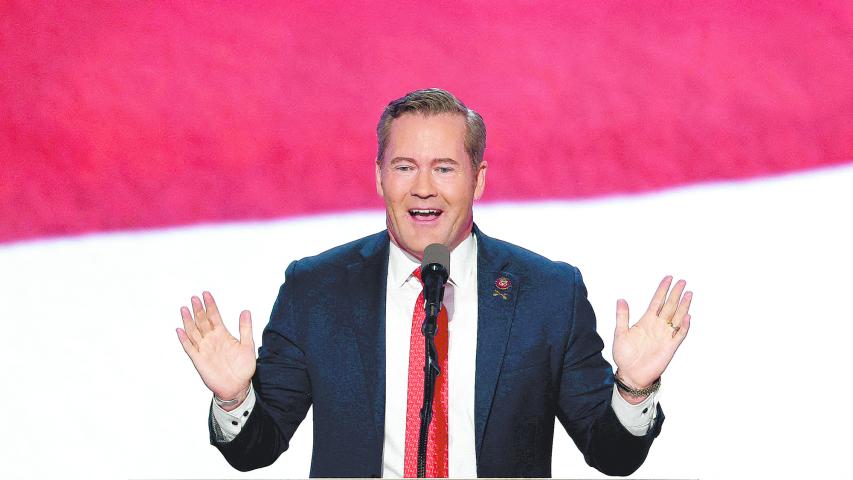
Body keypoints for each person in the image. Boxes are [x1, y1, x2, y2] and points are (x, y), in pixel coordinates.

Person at [176, 88, 693, 478]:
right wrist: (234, 398)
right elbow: (256, 450)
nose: (423, 188)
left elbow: (612, 455)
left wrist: (633, 389)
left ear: (479, 179)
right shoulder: (316, 289)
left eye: (445, 168)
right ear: (380, 177)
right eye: (405, 166)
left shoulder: (549, 294)